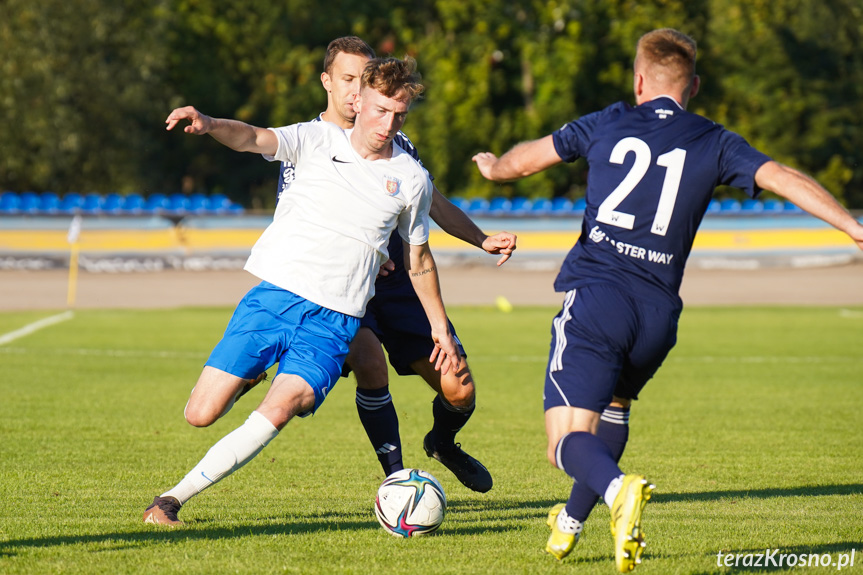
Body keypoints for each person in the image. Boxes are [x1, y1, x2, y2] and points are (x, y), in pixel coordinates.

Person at [473, 28, 863, 572]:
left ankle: (616, 491)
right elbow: (784, 178)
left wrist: (493, 166)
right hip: (657, 316)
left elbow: (525, 162)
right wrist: (851, 225)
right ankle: (569, 525)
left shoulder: (609, 121)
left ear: (638, 80)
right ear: (694, 86)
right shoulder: (715, 140)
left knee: (562, 441)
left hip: (598, 298)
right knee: (613, 409)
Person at [143, 56, 462, 526]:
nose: (387, 124)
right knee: (200, 413)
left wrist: (441, 330)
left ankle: (170, 499)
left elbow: (419, 261)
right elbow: (252, 137)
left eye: (399, 115)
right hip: (275, 299)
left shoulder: (411, 179)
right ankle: (253, 373)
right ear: (359, 101)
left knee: (288, 402)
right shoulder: (315, 139)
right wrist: (210, 124)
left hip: (335, 321)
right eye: (380, 110)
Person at [277, 36, 516, 493]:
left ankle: (443, 443)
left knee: (459, 389)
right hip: (346, 287)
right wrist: (365, 250)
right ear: (328, 82)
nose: (356, 90)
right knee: (370, 364)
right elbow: (296, 220)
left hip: (401, 286)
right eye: (348, 79)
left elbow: (431, 200)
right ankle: (400, 485)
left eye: (363, 79)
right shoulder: (306, 142)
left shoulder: (395, 137)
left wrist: (480, 238)